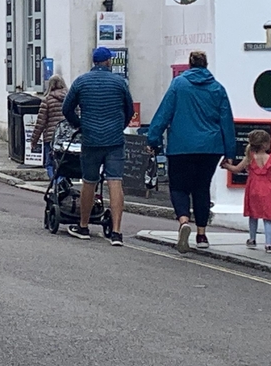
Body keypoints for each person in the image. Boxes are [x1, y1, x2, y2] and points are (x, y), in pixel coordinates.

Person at [147, 50, 236, 253]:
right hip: (210, 147)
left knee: (178, 187)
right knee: (201, 188)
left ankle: (184, 221)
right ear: (206, 65)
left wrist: (153, 138)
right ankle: (202, 234)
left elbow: (164, 112)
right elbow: (226, 121)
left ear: (189, 64)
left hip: (181, 146)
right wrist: (229, 152)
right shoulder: (217, 88)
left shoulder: (179, 85)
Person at [61, 47, 134, 245]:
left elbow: (66, 108)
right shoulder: (120, 83)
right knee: (115, 182)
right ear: (108, 62)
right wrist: (120, 126)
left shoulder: (81, 82)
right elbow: (129, 108)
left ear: (93, 62)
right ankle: (117, 233)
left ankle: (83, 226)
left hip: (91, 139)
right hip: (114, 141)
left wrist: (79, 124)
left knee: (89, 182)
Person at [220, 129, 271, 253]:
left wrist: (226, 165)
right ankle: (269, 244)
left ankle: (252, 239)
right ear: (265, 144)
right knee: (268, 218)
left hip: (254, 189)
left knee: (253, 215)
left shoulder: (250, 157)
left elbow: (236, 169)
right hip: (269, 190)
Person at [30, 74, 69, 180]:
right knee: (65, 163)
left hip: (51, 137)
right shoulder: (70, 98)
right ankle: (62, 182)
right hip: (67, 137)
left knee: (50, 163)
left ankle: (56, 183)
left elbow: (40, 123)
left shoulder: (47, 100)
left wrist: (34, 140)